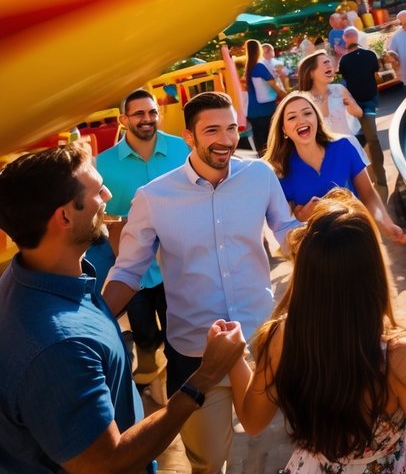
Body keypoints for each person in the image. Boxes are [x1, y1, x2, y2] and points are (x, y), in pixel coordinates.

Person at [0, 145, 244, 474]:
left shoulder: (32, 275)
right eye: (98, 190)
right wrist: (206, 376)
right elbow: (107, 463)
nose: (108, 194)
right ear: (65, 217)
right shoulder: (58, 348)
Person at [103, 91, 301, 474]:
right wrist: (95, 320)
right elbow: (128, 271)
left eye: (231, 128)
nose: (226, 140)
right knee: (207, 463)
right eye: (212, 130)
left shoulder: (259, 174)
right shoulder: (153, 197)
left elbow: (285, 228)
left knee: (283, 451)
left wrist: (322, 236)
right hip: (194, 356)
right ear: (188, 137)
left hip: (263, 341)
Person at [228, 192, 406, 471]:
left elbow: (252, 421)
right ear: (373, 271)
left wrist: (234, 357)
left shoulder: (282, 337)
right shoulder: (397, 358)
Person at [96, 88, 189, 394]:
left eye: (152, 112)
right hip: (131, 265)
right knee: (143, 332)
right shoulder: (103, 164)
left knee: (180, 330)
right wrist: (121, 223)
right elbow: (98, 214)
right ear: (124, 119)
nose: (147, 119)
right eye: (139, 114)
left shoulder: (181, 149)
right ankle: (148, 372)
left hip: (179, 262)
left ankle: (181, 388)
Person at [265, 93, 406, 243]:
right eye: (292, 117)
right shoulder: (279, 171)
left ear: (317, 119)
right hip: (318, 252)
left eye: (307, 113)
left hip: (359, 238)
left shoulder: (344, 146)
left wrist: (386, 224)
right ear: (284, 130)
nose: (301, 120)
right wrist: (301, 216)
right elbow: (283, 226)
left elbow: (368, 195)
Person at [339, 25, 388, 191]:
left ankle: (373, 179)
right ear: (357, 38)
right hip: (370, 102)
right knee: (371, 139)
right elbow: (375, 73)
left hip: (353, 104)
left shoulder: (344, 61)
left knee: (362, 139)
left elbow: (345, 77)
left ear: (346, 41)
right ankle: (380, 177)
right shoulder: (370, 55)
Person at [297, 49, 365, 143]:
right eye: (325, 63)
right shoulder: (304, 99)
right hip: (325, 149)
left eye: (329, 62)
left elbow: (359, 113)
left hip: (348, 143)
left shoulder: (339, 89)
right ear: (311, 73)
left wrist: (350, 105)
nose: (330, 66)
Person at [244, 37, 283, 154]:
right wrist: (290, 96)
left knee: (260, 142)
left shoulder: (249, 68)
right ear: (259, 50)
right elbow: (275, 86)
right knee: (271, 140)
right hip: (264, 109)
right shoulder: (259, 67)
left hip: (252, 110)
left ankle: (264, 163)